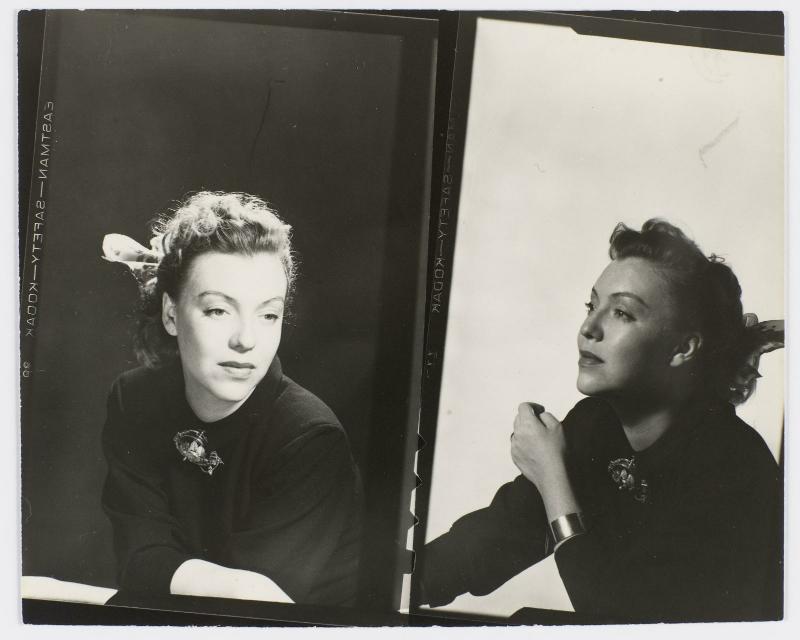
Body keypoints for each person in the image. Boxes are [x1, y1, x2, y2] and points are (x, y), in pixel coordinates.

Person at [416, 219, 783, 622]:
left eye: (622, 312)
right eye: (592, 306)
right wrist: (394, 572)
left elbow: (620, 618)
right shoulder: (596, 423)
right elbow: (502, 535)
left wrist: (551, 475)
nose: (588, 329)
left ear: (683, 348)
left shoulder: (732, 463)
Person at [100, 191, 363, 607]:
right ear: (171, 314)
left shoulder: (310, 437)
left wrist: (176, 576)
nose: (246, 340)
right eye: (218, 310)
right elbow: (138, 557)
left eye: (268, 314)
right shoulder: (134, 400)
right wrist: (227, 584)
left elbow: (254, 610)